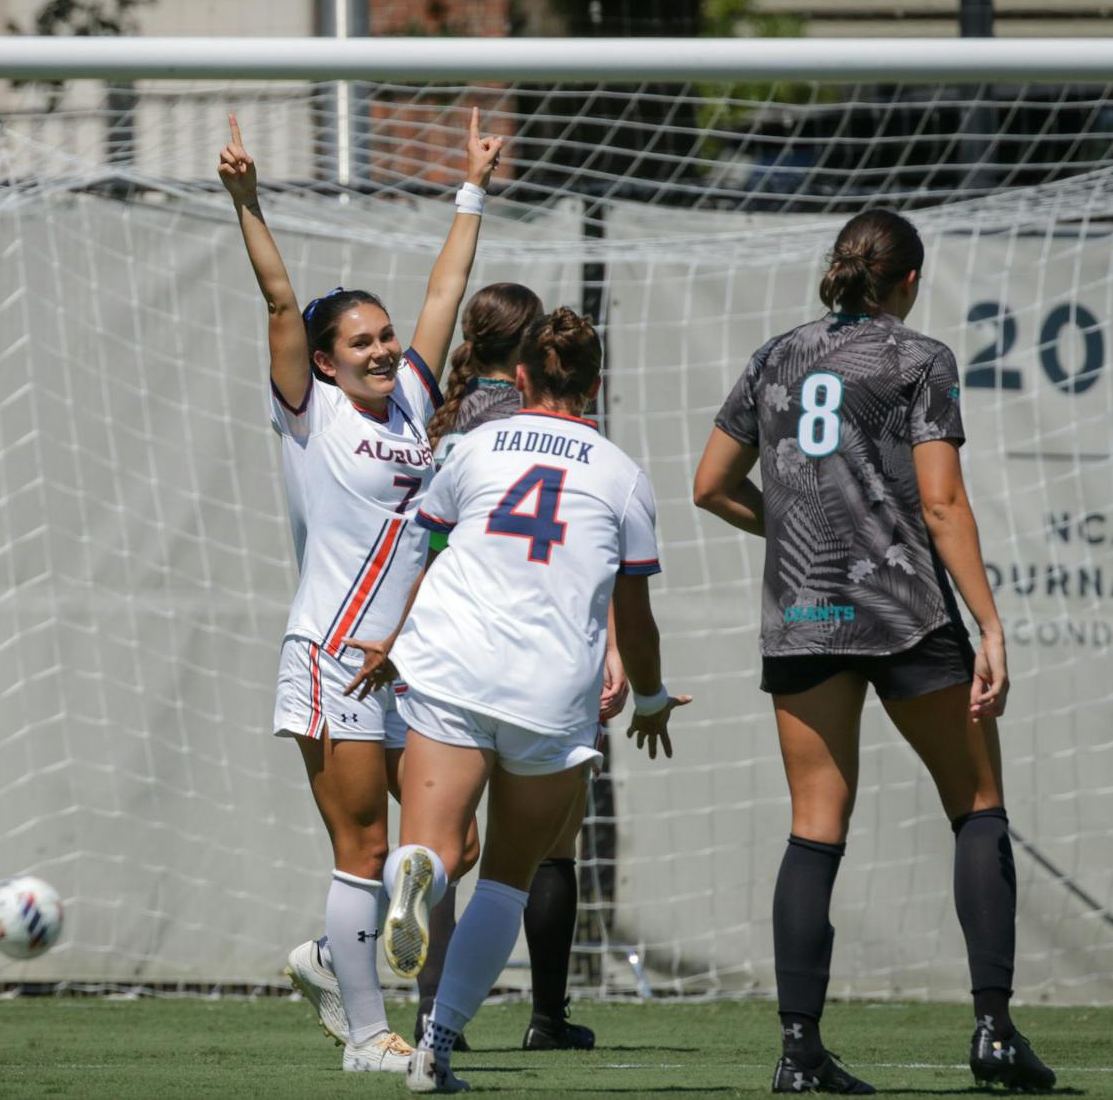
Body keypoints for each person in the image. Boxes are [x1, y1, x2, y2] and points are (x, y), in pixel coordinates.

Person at [692, 207, 1056, 1095]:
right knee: (976, 804)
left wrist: (795, 536)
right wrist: (992, 624)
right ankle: (993, 1031)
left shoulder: (776, 354)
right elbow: (940, 504)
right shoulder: (920, 358)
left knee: (815, 822)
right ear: (911, 281)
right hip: (904, 610)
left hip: (804, 614)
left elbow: (709, 485)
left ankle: (799, 1050)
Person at [218, 109, 503, 1073]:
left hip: (413, 661)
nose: (383, 350)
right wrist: (249, 203)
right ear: (325, 357)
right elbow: (277, 296)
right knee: (367, 846)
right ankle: (370, 1034)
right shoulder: (312, 415)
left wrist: (472, 186)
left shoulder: (418, 398)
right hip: (337, 658)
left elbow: (446, 289)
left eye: (386, 337)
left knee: (449, 844)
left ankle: (412, 1019)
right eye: (363, 342)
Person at [346, 308, 689, 1093]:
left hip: (451, 664)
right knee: (507, 875)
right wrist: (652, 697)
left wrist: (391, 641)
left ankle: (415, 871)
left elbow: (421, 552)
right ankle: (435, 1051)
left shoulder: (470, 447)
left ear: (523, 378)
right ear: (595, 384)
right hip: (549, 690)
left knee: (438, 853)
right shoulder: (622, 474)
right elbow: (634, 619)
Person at [416, 283, 628, 1052]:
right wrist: (615, 651)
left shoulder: (449, 418)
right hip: (540, 658)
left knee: (441, 846)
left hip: (441, 648)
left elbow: (427, 538)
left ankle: (426, 1006)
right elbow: (578, 553)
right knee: (536, 851)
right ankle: (543, 1013)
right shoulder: (539, 431)